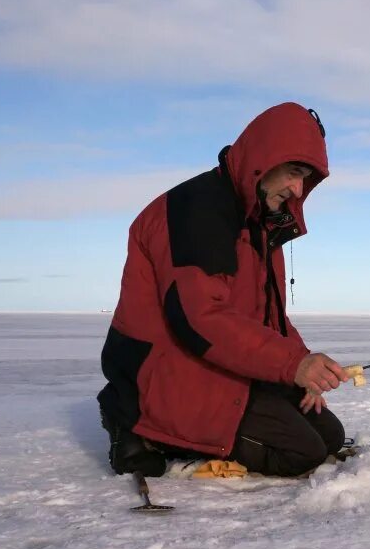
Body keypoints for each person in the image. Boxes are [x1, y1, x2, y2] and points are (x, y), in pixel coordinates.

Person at [97, 102, 349, 478]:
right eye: (295, 173)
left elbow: (269, 319)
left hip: (213, 361)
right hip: (168, 371)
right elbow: (199, 318)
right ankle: (134, 422)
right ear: (266, 159)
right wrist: (291, 365)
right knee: (302, 452)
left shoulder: (258, 222)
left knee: (329, 433)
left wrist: (303, 365)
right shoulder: (198, 210)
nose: (298, 190)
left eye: (305, 179)